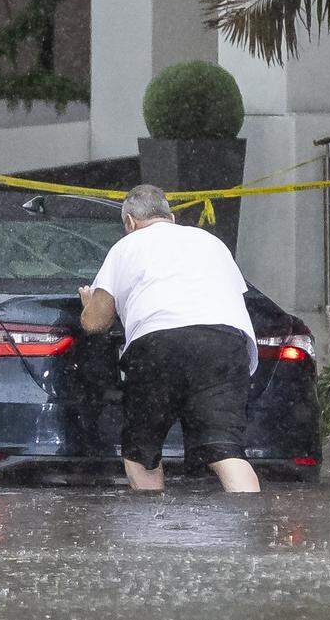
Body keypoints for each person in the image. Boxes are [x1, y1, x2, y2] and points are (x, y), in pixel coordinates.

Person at [78, 184, 261, 493]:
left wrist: (89, 304)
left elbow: (96, 323)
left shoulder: (127, 246)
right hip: (224, 344)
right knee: (226, 451)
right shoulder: (211, 242)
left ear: (130, 223)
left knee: (141, 455)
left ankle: (154, 535)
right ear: (172, 217)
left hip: (159, 346)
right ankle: (250, 525)